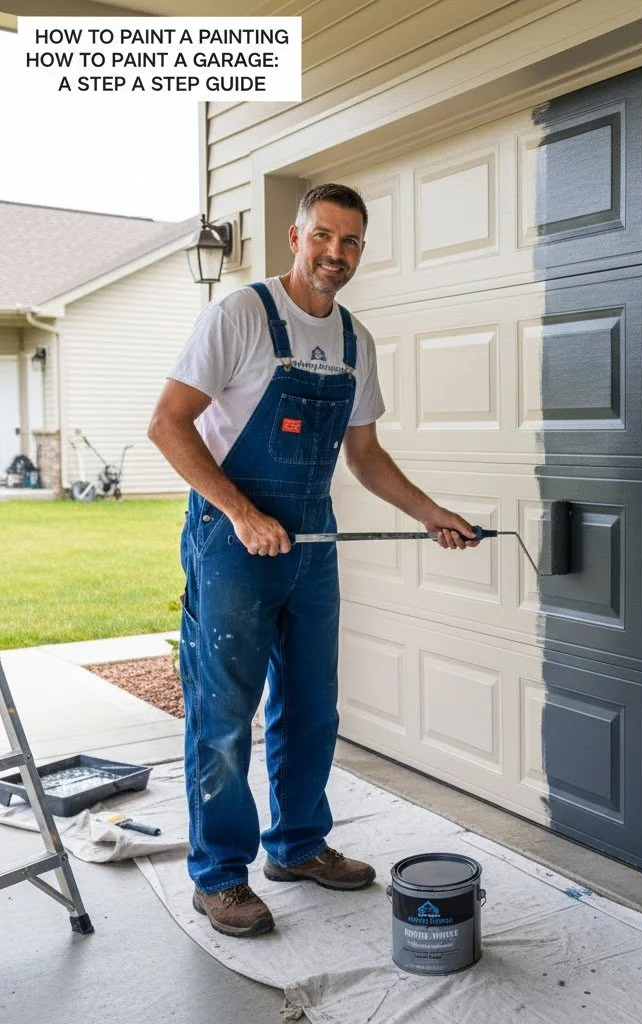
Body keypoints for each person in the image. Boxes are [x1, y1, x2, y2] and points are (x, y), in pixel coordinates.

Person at [148, 184, 477, 938]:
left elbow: (364, 455)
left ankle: (297, 846)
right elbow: (167, 424)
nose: (336, 253)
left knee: (311, 706)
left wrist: (430, 514)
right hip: (232, 542)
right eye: (323, 236)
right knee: (224, 715)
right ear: (295, 238)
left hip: (312, 546)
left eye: (351, 241)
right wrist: (241, 512)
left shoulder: (356, 340)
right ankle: (219, 875)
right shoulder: (240, 315)